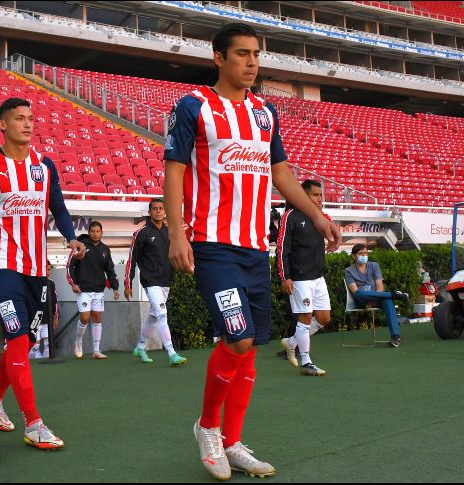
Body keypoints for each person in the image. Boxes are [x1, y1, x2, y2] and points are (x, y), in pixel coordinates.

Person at [163, 23, 341, 480]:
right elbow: (175, 172)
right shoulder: (194, 107)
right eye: (241, 54)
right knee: (237, 337)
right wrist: (178, 234)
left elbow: (281, 174)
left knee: (251, 349)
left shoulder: (265, 112)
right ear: (219, 58)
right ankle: (207, 428)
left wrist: (318, 217)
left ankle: (232, 440)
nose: (251, 62)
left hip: (253, 249)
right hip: (211, 245)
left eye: (256, 54)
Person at [0, 97, 86, 450]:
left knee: (26, 341)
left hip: (36, 270)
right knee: (17, 338)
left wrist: (71, 237)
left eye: (31, 118)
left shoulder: (45, 166)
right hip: (2, 267)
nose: (28, 124)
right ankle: (34, 424)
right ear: (2, 124)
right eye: (19, 119)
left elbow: (59, 209)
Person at [277, 180, 332, 376]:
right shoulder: (290, 217)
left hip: (318, 277)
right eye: (315, 195)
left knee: (324, 318)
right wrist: (285, 277)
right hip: (300, 278)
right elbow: (282, 249)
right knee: (305, 318)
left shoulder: (320, 216)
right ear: (303, 196)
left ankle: (291, 342)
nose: (319, 199)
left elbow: (332, 231)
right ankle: (306, 361)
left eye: (321, 196)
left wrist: (335, 237)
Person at [124, 198, 187, 366]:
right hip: (150, 281)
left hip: (166, 281)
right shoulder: (142, 233)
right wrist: (127, 283)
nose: (158, 211)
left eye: (161, 208)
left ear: (165, 212)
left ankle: (140, 347)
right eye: (155, 209)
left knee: (153, 316)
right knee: (161, 314)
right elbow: (132, 259)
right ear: (150, 212)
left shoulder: (170, 232)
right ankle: (172, 353)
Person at [67, 221, 119, 359]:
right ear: (89, 232)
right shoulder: (81, 246)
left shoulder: (105, 249)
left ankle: (96, 351)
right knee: (84, 317)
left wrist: (115, 287)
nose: (95, 234)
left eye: (98, 231)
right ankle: (78, 340)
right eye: (92, 231)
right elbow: (70, 266)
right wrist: (73, 283)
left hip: (98, 290)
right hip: (83, 290)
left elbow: (110, 270)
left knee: (97, 318)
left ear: (102, 233)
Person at [345, 244, 409, 348]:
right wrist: (369, 299)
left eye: (365, 253)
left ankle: (395, 337)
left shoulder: (374, 266)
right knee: (359, 293)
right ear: (353, 256)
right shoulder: (348, 271)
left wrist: (374, 300)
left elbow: (380, 286)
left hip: (377, 297)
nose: (364, 255)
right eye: (360, 253)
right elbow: (354, 291)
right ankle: (394, 295)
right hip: (362, 300)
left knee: (387, 301)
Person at [30, 260, 59, 360]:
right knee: (35, 346)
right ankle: (33, 366)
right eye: (46, 268)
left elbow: (55, 301)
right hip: (35, 319)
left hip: (47, 318)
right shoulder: (32, 282)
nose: (48, 271)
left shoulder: (51, 283)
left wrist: (56, 317)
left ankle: (47, 368)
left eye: (49, 269)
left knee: (48, 345)